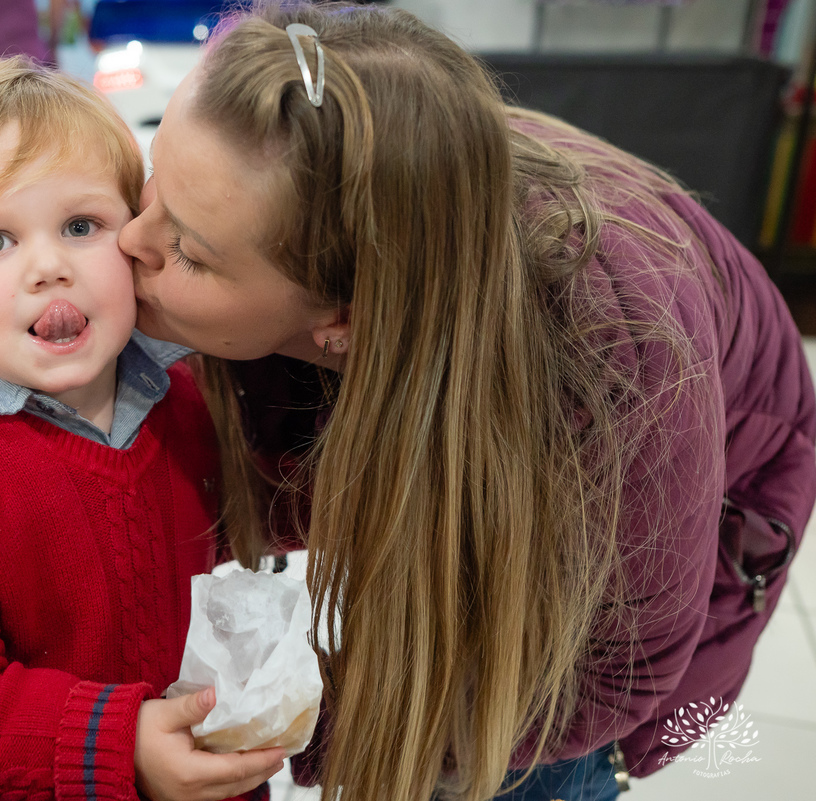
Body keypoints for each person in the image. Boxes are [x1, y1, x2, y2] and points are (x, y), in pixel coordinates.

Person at [116, 4, 815, 801]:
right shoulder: (299, 194)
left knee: (530, 764)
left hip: (685, 508)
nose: (129, 242)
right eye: (153, 179)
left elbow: (621, 669)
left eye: (189, 253)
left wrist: (310, 727)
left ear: (344, 318)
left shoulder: (621, 358)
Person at [0, 56, 286, 801]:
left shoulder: (188, 395)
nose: (47, 267)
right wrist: (118, 742)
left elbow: (255, 531)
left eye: (81, 226)